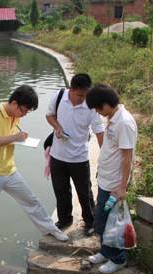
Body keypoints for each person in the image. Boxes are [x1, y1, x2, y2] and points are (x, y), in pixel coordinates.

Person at [0, 85, 69, 259]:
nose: (25, 114)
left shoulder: (15, 117)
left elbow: (8, 139)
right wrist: (14, 138)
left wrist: (20, 139)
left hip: (9, 171)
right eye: (24, 110)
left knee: (31, 201)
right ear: (14, 103)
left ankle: (51, 230)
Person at [85, 84, 138, 274]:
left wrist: (122, 187)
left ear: (107, 104)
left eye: (99, 109)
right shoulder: (114, 119)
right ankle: (105, 252)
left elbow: (127, 157)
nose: (99, 113)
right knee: (102, 220)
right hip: (106, 180)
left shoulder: (124, 123)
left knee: (112, 223)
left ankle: (118, 258)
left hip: (115, 185)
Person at [46, 73, 104, 231]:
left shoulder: (91, 106)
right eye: (80, 95)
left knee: (84, 192)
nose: (83, 98)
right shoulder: (58, 97)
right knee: (61, 191)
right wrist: (57, 127)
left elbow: (99, 132)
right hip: (58, 156)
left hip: (79, 158)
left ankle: (90, 222)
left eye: (86, 95)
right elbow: (49, 115)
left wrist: (105, 157)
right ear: (71, 89)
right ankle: (64, 219)